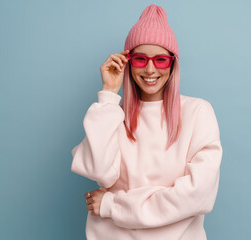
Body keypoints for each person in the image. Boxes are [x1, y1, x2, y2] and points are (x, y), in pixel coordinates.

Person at [71, 4, 223, 240]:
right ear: (128, 62)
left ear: (172, 63)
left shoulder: (198, 112)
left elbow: (198, 196)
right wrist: (109, 94)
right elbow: (98, 170)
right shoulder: (111, 115)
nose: (150, 69)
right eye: (140, 59)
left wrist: (114, 205)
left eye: (161, 59)